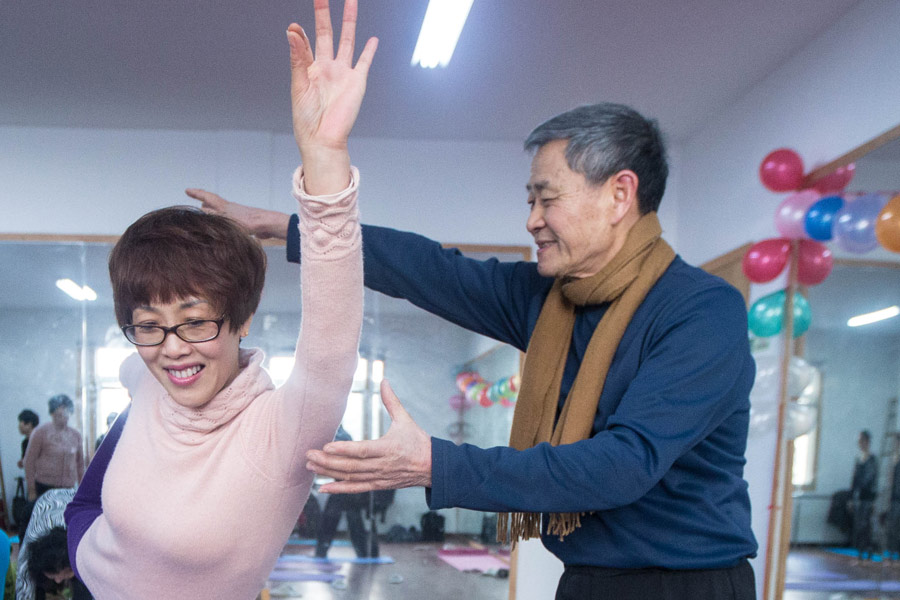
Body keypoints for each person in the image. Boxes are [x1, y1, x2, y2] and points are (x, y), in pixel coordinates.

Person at [192, 104, 758, 599]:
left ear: (619, 194)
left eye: (547, 199)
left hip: (688, 583)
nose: (531, 220)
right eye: (529, 199)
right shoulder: (551, 299)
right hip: (588, 578)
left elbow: (623, 465)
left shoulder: (702, 312)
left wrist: (433, 464)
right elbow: (433, 270)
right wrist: (288, 227)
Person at [62, 2, 375, 598]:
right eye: (148, 324)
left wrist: (326, 164)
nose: (172, 349)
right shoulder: (144, 374)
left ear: (242, 319)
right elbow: (89, 498)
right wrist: (83, 547)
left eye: (195, 322)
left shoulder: (284, 429)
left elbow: (333, 340)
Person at [314, 426, 379, 559]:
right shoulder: (339, 436)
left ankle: (362, 552)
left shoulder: (341, 437)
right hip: (344, 487)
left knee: (350, 520)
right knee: (338, 520)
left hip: (349, 488)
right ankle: (323, 551)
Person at [16, 488, 91, 600]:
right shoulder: (32, 541)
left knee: (84, 590)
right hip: (39, 508)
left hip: (79, 510)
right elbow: (23, 585)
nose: (58, 580)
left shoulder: (87, 545)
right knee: (35, 586)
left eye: (66, 572)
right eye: (52, 574)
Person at [23, 395, 84, 502]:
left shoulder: (76, 435)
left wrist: (82, 489)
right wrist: (31, 491)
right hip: (44, 488)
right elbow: (29, 462)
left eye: (66, 414)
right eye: (59, 415)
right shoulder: (40, 432)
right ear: (52, 413)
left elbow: (80, 464)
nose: (63, 418)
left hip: (67, 489)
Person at [849, 429, 878, 561]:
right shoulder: (858, 459)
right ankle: (860, 553)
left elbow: (870, 480)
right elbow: (854, 480)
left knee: (866, 526)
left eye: (861, 441)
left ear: (866, 442)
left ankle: (868, 553)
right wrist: (851, 497)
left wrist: (872, 500)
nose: (859, 443)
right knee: (859, 526)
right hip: (859, 497)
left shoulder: (872, 460)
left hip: (867, 498)